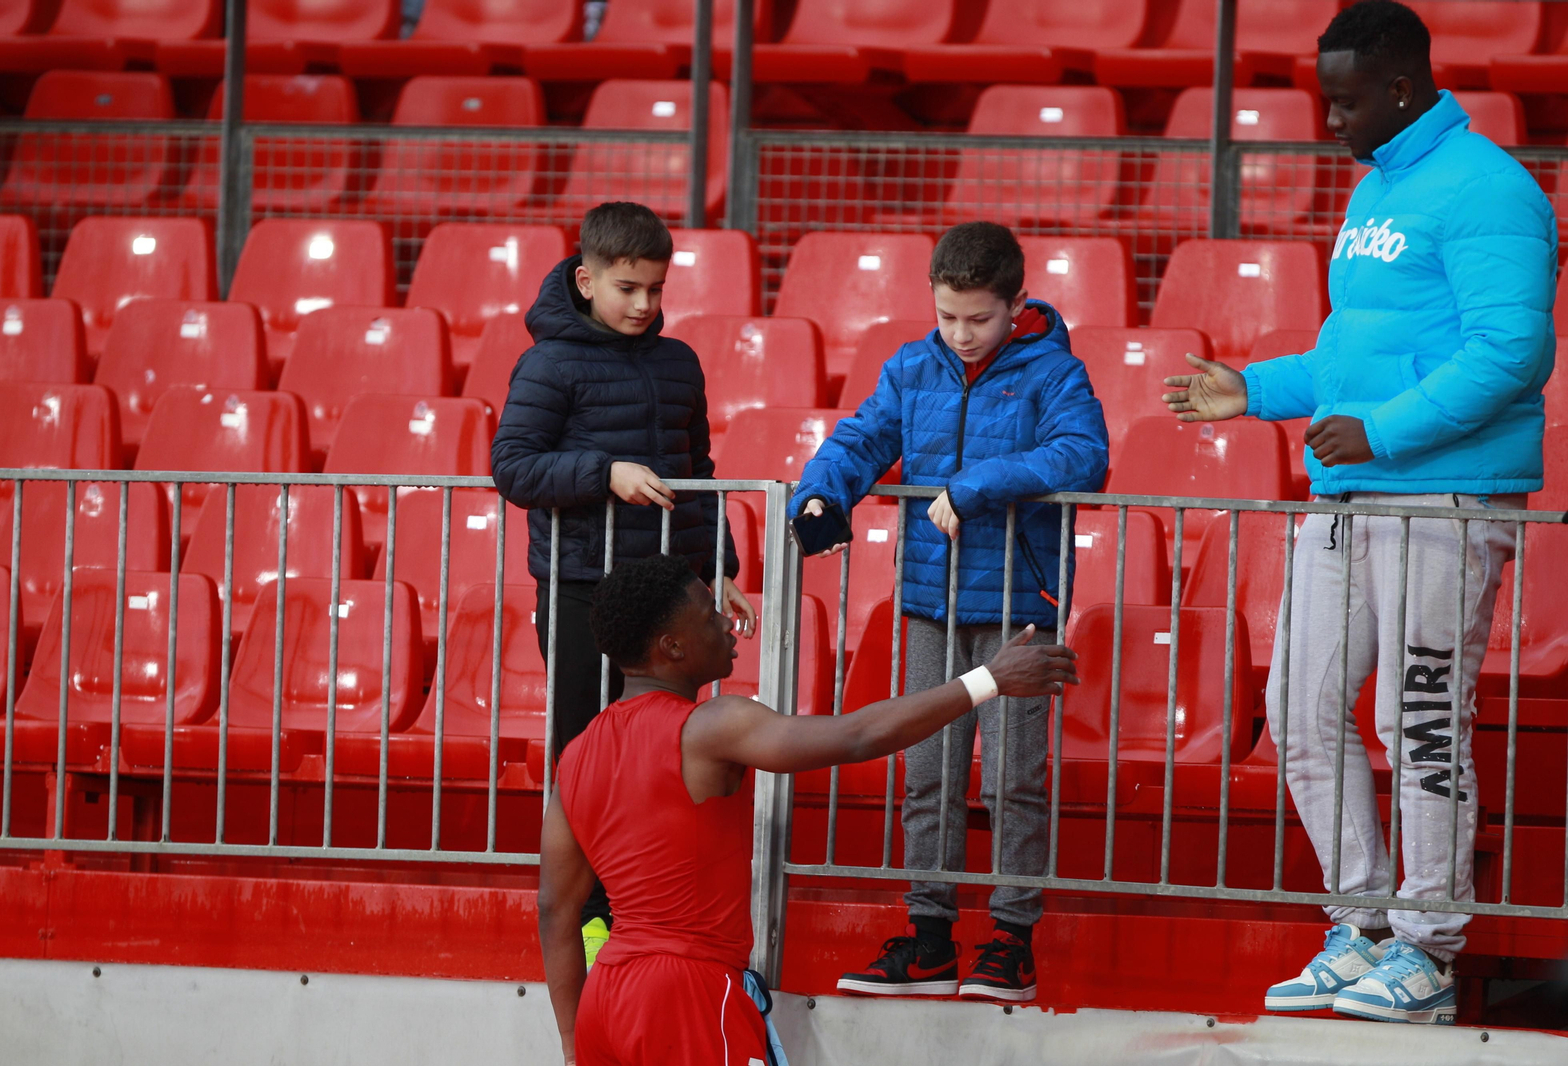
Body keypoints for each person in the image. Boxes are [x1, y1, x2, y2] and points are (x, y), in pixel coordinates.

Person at [1162, 0, 1555, 1026]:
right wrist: (1253, 389)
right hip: (1350, 497)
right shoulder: (1379, 188)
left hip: (1442, 496)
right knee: (1298, 710)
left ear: (1398, 86)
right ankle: (1361, 925)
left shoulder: (1488, 192)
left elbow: (1512, 352)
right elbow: (1350, 351)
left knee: (1413, 717)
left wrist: (1380, 431)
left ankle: (1426, 944)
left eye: (1342, 101)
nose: (1328, 121)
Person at [537, 554, 1080, 1065]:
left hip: (602, 1002)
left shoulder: (577, 752)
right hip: (688, 994)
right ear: (672, 646)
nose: (728, 623)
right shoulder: (709, 726)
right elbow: (855, 736)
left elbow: (555, 912)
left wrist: (572, 1043)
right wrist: (988, 680)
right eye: (709, 616)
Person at [788, 221, 1109, 1002]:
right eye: (947, 317)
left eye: (980, 318)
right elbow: (863, 438)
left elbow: (1084, 455)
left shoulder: (1054, 373)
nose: (962, 335)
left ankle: (1010, 940)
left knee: (1010, 781)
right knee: (928, 774)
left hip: (1015, 613)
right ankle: (930, 938)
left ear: (1017, 304)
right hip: (930, 603)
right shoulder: (912, 367)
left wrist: (975, 484)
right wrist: (821, 492)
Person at [492, 201, 757, 966]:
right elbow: (512, 466)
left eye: (655, 289)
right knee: (587, 756)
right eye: (627, 289)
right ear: (587, 279)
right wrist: (606, 475)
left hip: (668, 595)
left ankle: (643, 909)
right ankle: (584, 917)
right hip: (580, 589)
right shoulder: (547, 362)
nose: (644, 305)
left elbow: (699, 474)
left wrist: (718, 572)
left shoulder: (680, 363)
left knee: (665, 758)